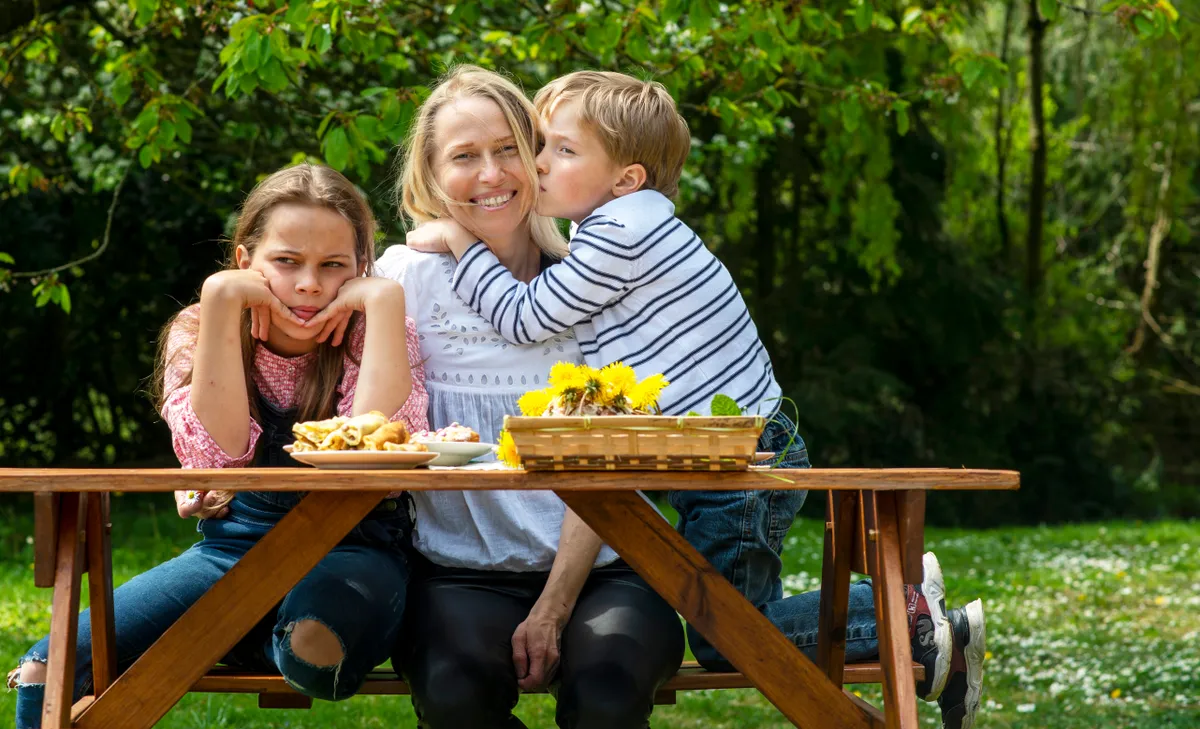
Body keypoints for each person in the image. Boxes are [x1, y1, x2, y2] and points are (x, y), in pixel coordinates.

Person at [407, 70, 986, 729]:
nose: (537, 163)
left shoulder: (617, 234)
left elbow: (527, 317)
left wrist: (459, 243)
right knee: (727, 624)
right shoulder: (633, 223)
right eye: (541, 144)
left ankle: (899, 610)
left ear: (625, 177)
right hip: (726, 448)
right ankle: (897, 607)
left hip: (741, 456)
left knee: (725, 633)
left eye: (559, 150)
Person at [7, 163, 429, 728]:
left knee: (313, 653)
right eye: (286, 261)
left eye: (333, 266)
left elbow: (375, 455)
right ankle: (246, 626)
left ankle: (247, 630)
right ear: (244, 261)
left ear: (361, 269)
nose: (309, 283)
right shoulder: (201, 325)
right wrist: (220, 299)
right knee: (44, 670)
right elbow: (216, 461)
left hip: (355, 547)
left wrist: (382, 302)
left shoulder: (377, 327)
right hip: (233, 551)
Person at [375, 65, 684, 729]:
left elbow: (611, 457)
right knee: (454, 691)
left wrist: (554, 604)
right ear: (430, 175)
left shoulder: (592, 277)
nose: (490, 175)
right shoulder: (404, 277)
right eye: (464, 156)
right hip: (460, 569)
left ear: (538, 155)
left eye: (508, 148)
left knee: (608, 688)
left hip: (605, 560)